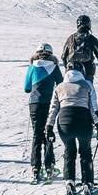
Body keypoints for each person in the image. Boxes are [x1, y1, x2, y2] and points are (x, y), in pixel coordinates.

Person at [47, 58, 98, 195]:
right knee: (85, 152)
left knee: (69, 151)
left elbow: (53, 109)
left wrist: (49, 127)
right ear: (82, 71)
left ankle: (69, 182)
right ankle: (87, 183)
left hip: (64, 123)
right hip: (83, 122)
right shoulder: (87, 85)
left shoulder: (59, 87)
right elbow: (93, 108)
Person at [24, 42, 63, 183]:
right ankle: (49, 166)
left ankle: (35, 168)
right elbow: (61, 84)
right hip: (49, 103)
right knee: (48, 133)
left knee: (36, 134)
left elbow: (27, 88)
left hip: (34, 104)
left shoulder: (32, 67)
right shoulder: (54, 67)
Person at [62, 14, 98, 83]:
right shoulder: (92, 39)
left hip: (72, 71)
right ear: (88, 24)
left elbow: (63, 56)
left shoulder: (70, 38)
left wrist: (67, 67)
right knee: (88, 91)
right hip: (87, 71)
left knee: (69, 91)